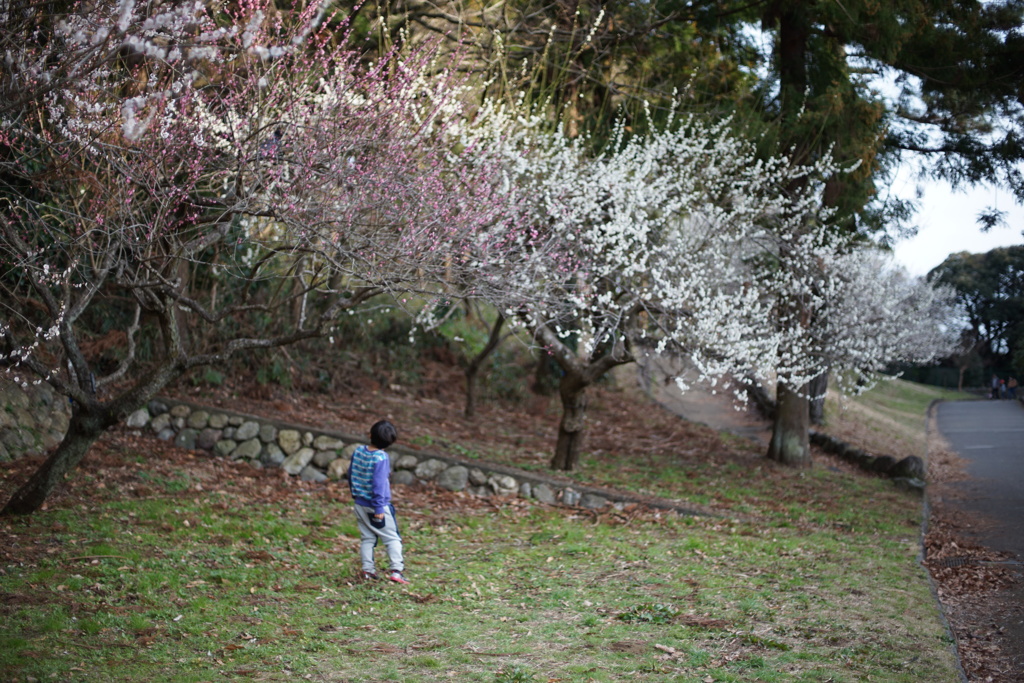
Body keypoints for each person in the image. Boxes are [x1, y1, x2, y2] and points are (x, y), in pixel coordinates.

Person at [348, 419, 409, 584]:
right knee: (392, 538)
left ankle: (368, 571)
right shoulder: (381, 458)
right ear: (390, 442)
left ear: (370, 435)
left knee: (367, 538)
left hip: (360, 503)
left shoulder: (358, 451)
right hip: (377, 506)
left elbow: (351, 474)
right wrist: (379, 508)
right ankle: (396, 570)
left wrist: (355, 494)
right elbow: (379, 484)